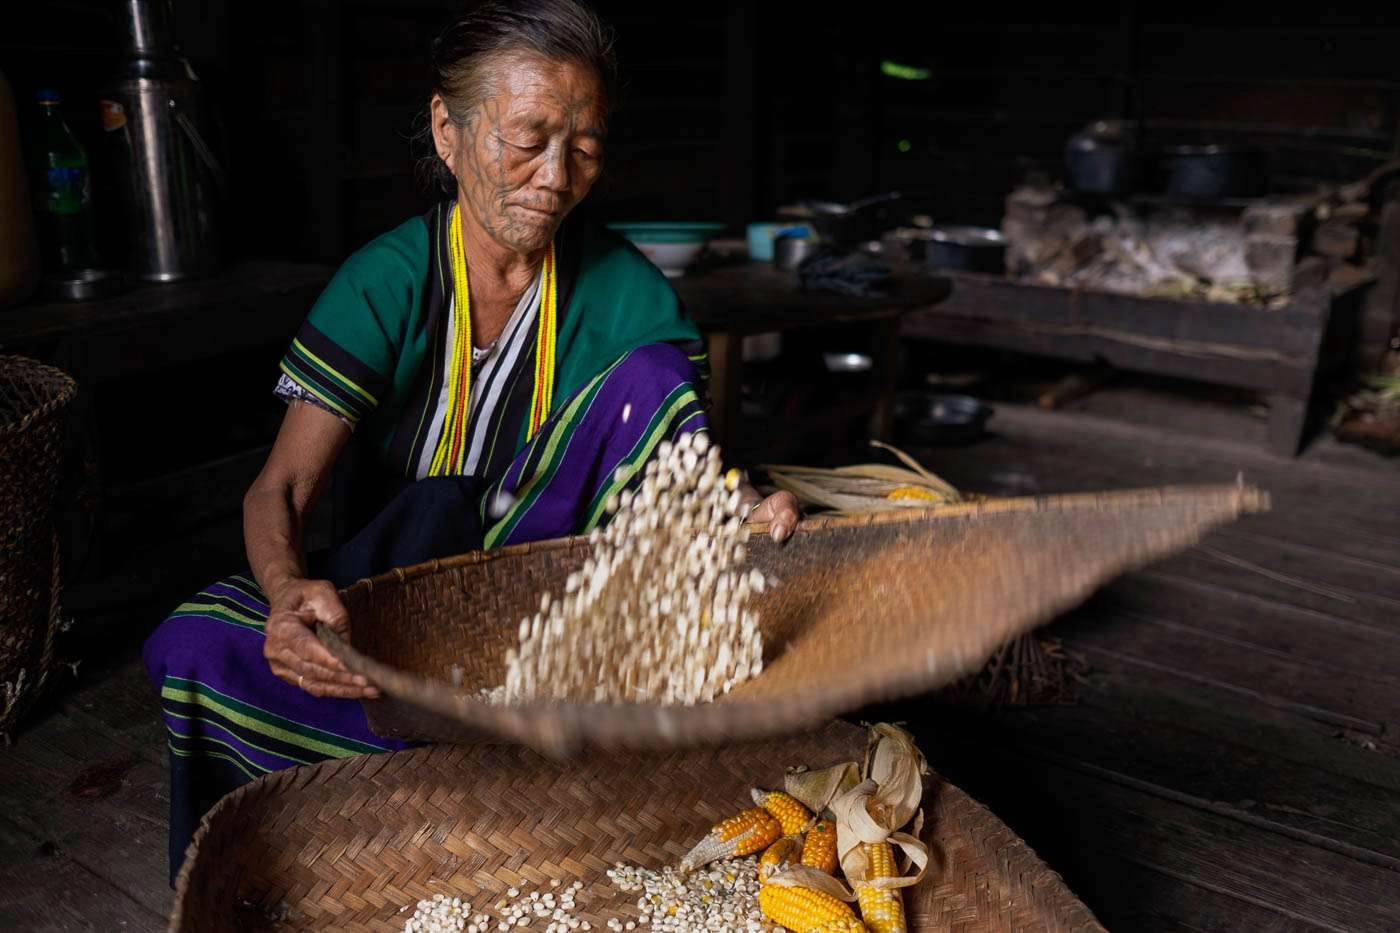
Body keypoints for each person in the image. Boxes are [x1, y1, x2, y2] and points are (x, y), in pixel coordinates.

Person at [142, 0, 800, 880]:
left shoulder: (632, 300)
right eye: (529, 138)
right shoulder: (389, 280)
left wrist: (750, 510)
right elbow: (285, 488)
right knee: (196, 642)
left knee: (646, 382)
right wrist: (287, 591)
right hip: (397, 608)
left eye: (587, 145)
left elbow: (689, 481)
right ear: (447, 132)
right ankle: (411, 792)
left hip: (560, 627)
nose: (558, 176)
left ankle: (493, 761)